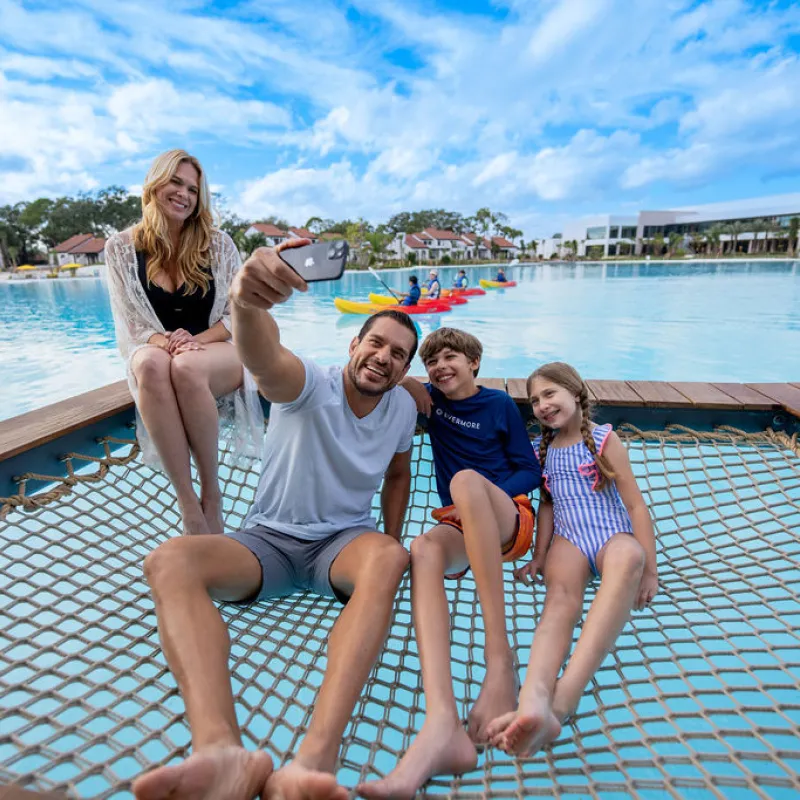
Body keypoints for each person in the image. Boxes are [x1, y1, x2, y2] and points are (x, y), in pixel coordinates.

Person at [132, 242, 422, 800]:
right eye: (377, 343)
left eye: (399, 355)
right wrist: (243, 302)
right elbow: (264, 359)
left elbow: (398, 475)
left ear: (406, 369)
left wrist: (387, 541)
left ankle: (313, 761)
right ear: (354, 345)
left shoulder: (405, 407)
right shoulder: (308, 386)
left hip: (342, 544)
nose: (385, 357)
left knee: (391, 557)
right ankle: (221, 751)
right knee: (168, 560)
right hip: (268, 540)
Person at [358, 328, 541, 800]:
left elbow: (529, 469)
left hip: (507, 517)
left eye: (451, 357)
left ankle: (500, 664)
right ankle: (442, 722)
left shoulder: (498, 405)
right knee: (423, 549)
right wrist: (410, 382)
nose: (441, 366)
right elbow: (388, 378)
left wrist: (487, 493)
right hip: (458, 523)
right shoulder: (432, 406)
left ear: (474, 363)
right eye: (432, 361)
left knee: (464, 478)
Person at [486, 362, 658, 757]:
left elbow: (634, 504)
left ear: (576, 393)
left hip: (609, 533)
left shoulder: (603, 440)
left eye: (549, 394)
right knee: (559, 603)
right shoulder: (538, 450)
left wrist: (650, 568)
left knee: (629, 556)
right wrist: (539, 557)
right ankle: (532, 698)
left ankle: (562, 701)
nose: (542, 405)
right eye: (534, 400)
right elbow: (546, 508)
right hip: (569, 539)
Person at [105, 149, 261, 536]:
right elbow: (131, 323)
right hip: (158, 349)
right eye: (176, 182)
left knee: (187, 365)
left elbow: (236, 316)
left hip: (217, 347)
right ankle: (187, 502)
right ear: (154, 184)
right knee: (148, 365)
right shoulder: (121, 248)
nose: (184, 194)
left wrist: (192, 341)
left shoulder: (219, 244)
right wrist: (168, 343)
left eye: (193, 188)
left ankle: (212, 492)